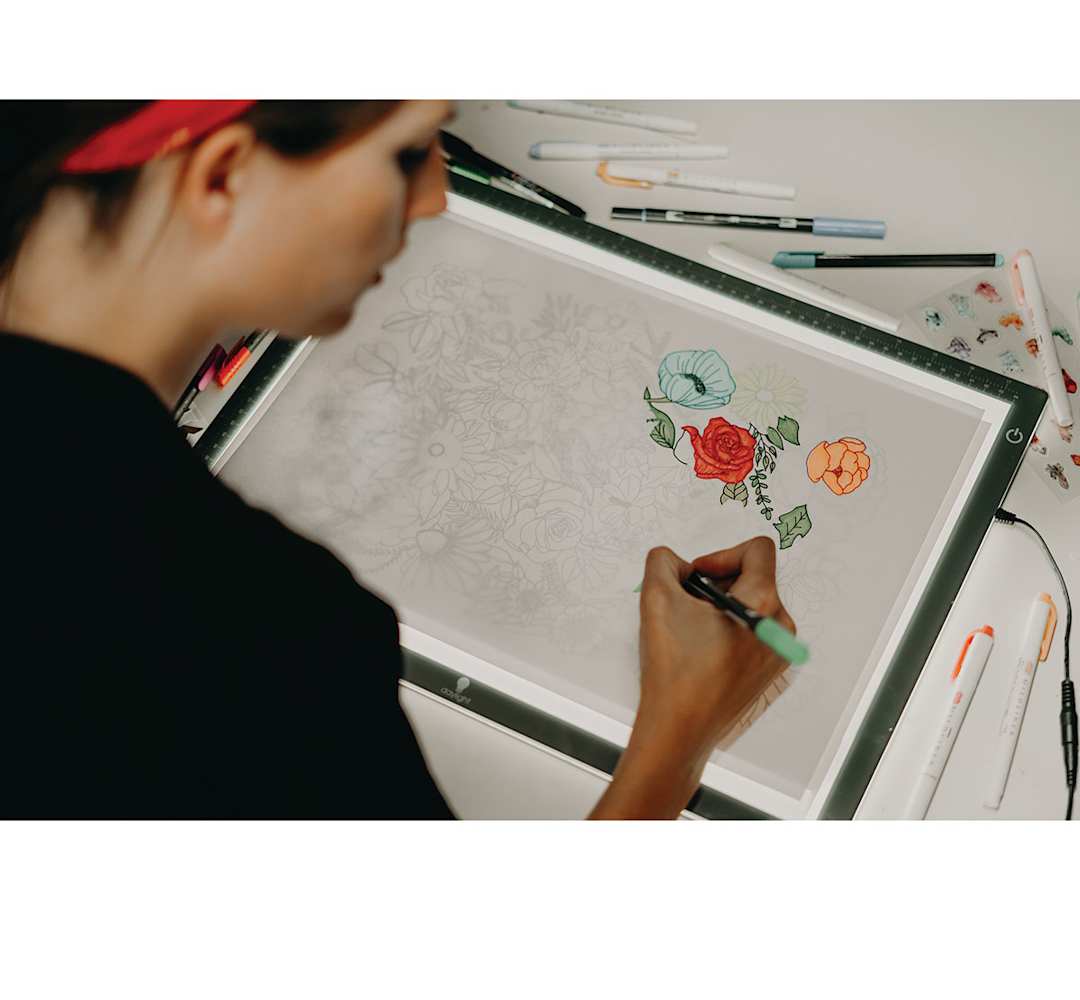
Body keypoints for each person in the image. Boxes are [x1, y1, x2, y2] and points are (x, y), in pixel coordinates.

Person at [0, 100, 794, 819]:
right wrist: (679, 734)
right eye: (410, 153)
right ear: (223, 174)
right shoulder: (264, 635)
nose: (438, 198)